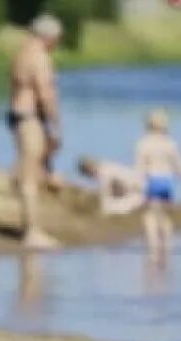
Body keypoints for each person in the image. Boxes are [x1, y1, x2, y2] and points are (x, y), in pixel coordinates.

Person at [8, 14, 64, 250]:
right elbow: (44, 93)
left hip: (18, 115)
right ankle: (32, 233)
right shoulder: (40, 58)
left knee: (33, 170)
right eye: (57, 40)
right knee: (30, 177)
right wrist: (55, 124)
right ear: (48, 37)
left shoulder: (20, 54)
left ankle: (30, 227)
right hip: (31, 117)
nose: (57, 45)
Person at [136, 108, 181, 262]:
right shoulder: (170, 143)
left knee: (150, 216)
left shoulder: (144, 143)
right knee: (166, 216)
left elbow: (140, 166)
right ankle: (167, 245)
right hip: (167, 181)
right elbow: (178, 164)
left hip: (152, 180)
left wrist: (138, 184)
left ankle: (153, 247)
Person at [77, 156, 144, 216]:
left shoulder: (105, 170)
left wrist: (102, 211)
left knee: (110, 207)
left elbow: (106, 192)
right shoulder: (106, 169)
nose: (90, 176)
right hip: (137, 191)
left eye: (89, 170)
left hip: (141, 189)